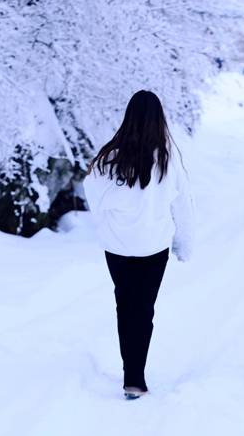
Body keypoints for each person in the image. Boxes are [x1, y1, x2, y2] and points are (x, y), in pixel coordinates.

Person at [83, 90, 195, 400]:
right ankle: (135, 378)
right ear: (160, 120)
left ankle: (129, 373)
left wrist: (109, 221)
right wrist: (185, 244)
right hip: (153, 249)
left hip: (117, 247)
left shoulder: (109, 158)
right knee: (143, 310)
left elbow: (92, 193)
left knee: (124, 306)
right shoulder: (169, 160)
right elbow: (183, 205)